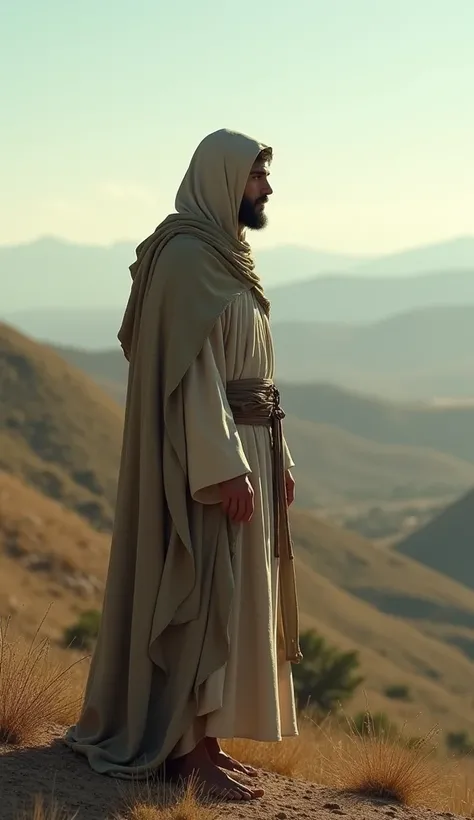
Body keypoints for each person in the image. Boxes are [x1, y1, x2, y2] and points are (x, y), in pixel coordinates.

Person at [65, 128, 302, 802]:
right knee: (203, 593)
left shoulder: (230, 257)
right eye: (258, 176)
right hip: (202, 459)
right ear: (225, 179)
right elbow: (192, 377)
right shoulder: (184, 259)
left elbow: (255, 376)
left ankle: (208, 742)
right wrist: (225, 465)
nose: (267, 189)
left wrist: (277, 455)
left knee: (232, 599)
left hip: (246, 446)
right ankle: (184, 753)